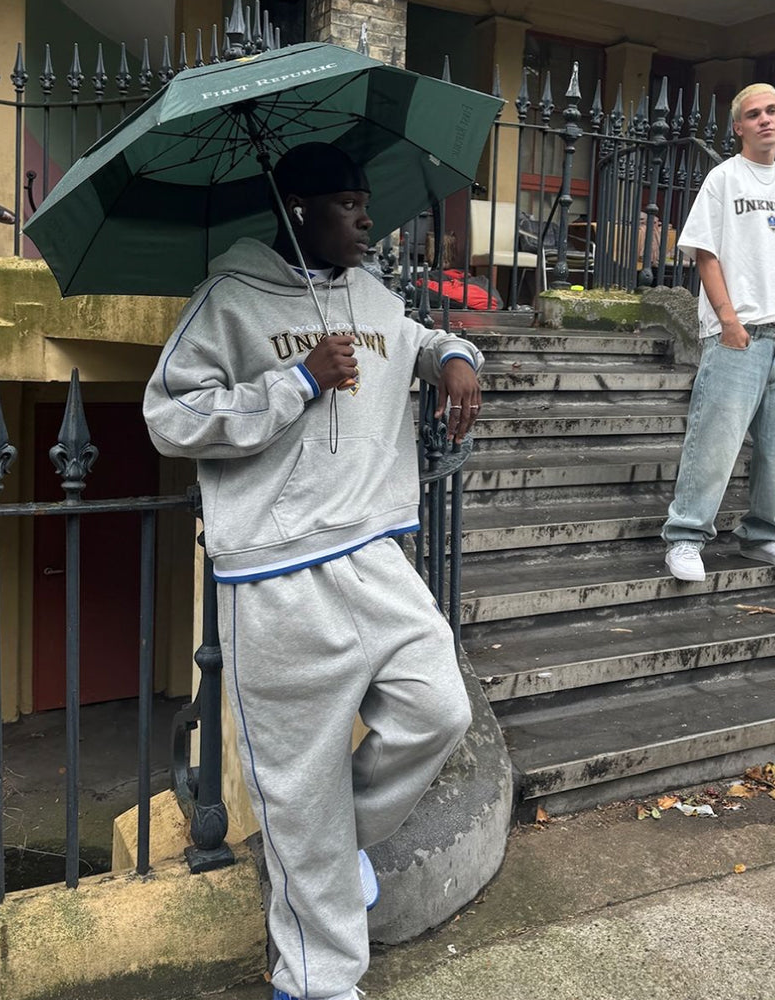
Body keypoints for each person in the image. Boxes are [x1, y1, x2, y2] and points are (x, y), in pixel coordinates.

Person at [143, 143, 483, 1000]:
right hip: (275, 578)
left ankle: (334, 848)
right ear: (296, 209)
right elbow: (169, 415)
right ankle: (318, 982)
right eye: (345, 203)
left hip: (375, 557)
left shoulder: (370, 293)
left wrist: (452, 359)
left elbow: (418, 336)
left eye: (366, 201)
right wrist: (293, 380)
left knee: (438, 708)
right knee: (296, 795)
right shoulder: (230, 298)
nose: (367, 218)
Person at [662, 83, 775, 583]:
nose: (765, 119)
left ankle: (766, 534)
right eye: (753, 114)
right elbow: (705, 254)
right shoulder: (723, 179)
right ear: (738, 127)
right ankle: (687, 536)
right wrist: (729, 322)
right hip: (738, 335)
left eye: (773, 110)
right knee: (714, 442)